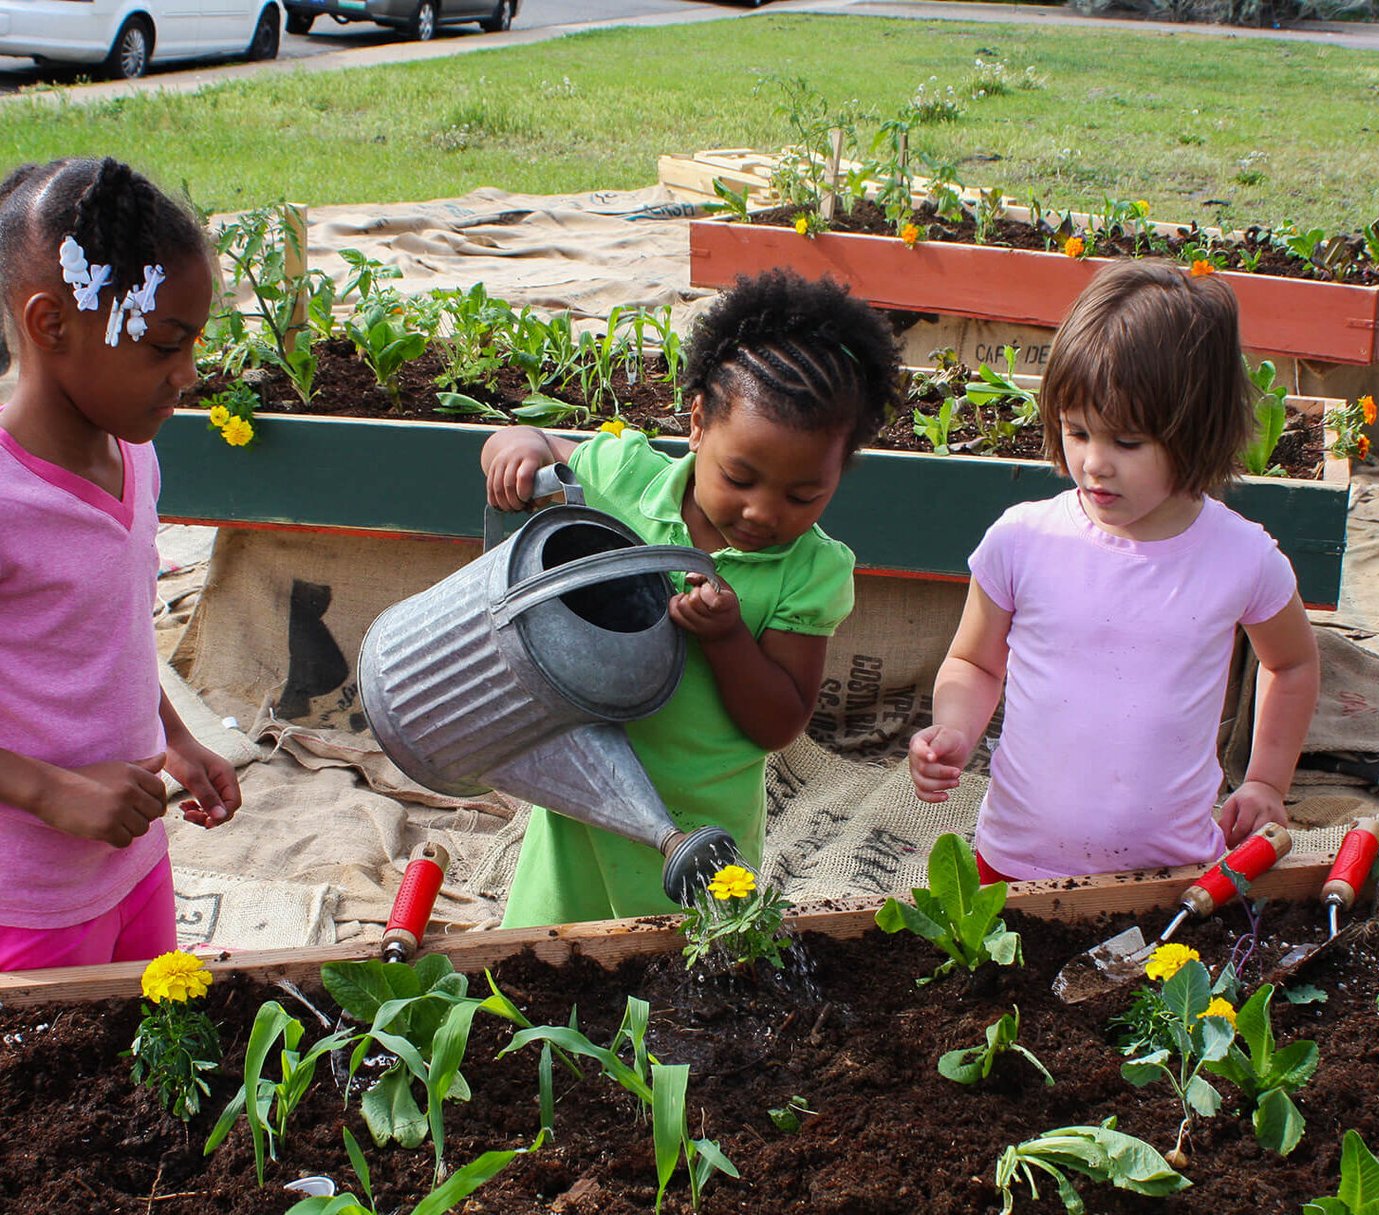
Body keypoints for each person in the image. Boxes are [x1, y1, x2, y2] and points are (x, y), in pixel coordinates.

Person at [480, 270, 902, 926]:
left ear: (840, 471)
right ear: (699, 422)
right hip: (585, 791)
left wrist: (728, 637)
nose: (762, 512)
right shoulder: (628, 478)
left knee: (683, 972)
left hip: (700, 819)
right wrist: (517, 445)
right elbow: (545, 451)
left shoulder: (809, 571)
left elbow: (778, 721)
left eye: (802, 495)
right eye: (740, 476)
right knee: (545, 955)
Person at [908, 260, 1320, 883]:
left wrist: (1265, 779)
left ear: (1196, 432)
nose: (1095, 463)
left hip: (1173, 876)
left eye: (1127, 443)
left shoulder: (1241, 557)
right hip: (1013, 863)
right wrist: (954, 731)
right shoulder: (1023, 539)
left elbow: (1290, 662)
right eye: (1077, 432)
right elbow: (975, 663)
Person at [0, 157, 243, 971]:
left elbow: (112, 637)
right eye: (164, 345)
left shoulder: (134, 459)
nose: (188, 375)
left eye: (194, 343)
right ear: (50, 324)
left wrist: (172, 738)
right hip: (28, 896)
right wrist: (48, 790)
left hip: (134, 864)